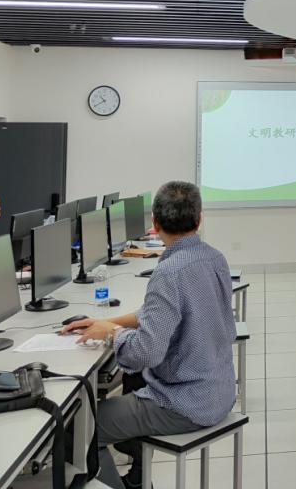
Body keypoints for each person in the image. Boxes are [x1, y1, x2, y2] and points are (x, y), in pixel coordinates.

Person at [61, 181, 236, 489]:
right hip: (219, 390)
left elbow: (146, 353)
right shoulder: (213, 257)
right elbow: (161, 315)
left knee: (78, 429)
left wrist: (113, 333)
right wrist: (106, 322)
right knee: (131, 384)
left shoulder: (168, 273)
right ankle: (138, 478)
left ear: (154, 223)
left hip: (186, 403)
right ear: (199, 219)